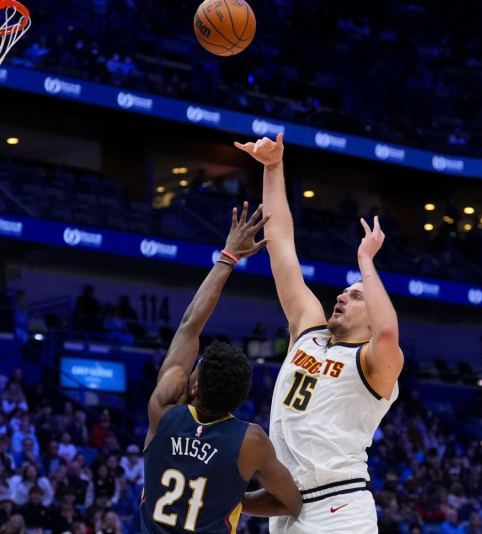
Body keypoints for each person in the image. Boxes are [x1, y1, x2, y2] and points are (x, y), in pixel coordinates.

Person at [235, 133, 403, 534]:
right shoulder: (309, 331)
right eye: (344, 291)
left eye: (356, 296)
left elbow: (386, 331)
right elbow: (281, 246)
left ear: (371, 316)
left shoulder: (374, 363)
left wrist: (366, 261)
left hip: (340, 507)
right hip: (285, 503)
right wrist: (273, 168)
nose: (342, 295)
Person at [140, 204, 302, 534]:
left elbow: (189, 326)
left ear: (194, 387)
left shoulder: (163, 410)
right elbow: (291, 503)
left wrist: (228, 257)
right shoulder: (251, 441)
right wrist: (230, 499)